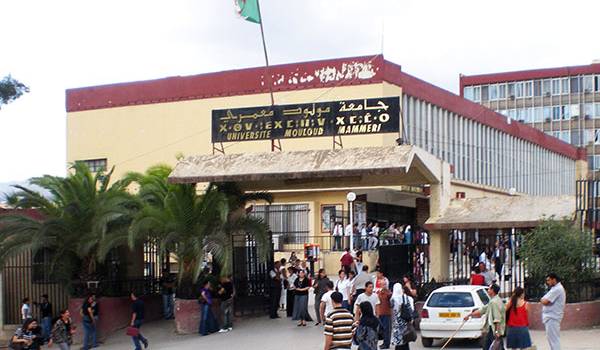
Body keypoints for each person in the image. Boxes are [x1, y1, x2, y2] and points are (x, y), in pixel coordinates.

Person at [464, 284, 505, 350]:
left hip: (494, 329)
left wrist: (497, 331)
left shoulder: (494, 302)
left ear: (492, 290)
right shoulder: (493, 301)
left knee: (495, 346)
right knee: (490, 346)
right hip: (491, 328)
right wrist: (469, 315)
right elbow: (482, 310)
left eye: (489, 289)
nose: (488, 291)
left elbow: (497, 318)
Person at [540, 273, 566, 350]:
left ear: (554, 279)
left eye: (549, 280)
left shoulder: (557, 289)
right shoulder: (554, 288)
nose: (547, 282)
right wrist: (543, 300)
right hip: (551, 317)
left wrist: (542, 300)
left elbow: (545, 301)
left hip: (552, 317)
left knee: (554, 340)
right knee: (552, 339)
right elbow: (544, 299)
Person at [390, 283, 414, 350]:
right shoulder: (406, 297)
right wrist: (411, 318)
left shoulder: (393, 299)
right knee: (405, 338)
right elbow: (411, 309)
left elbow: (391, 308)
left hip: (397, 322)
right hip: (405, 321)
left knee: (398, 340)